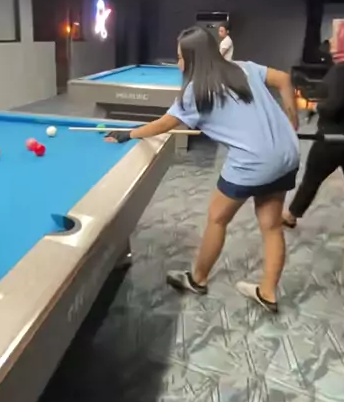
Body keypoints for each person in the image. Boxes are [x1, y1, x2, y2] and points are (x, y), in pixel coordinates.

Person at [106, 27, 299, 312]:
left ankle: (198, 279)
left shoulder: (196, 91)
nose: (179, 64)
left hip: (253, 162)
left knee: (217, 218)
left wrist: (129, 133)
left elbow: (164, 124)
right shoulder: (243, 68)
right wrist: (292, 120)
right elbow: (284, 79)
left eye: (180, 58)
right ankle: (268, 292)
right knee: (271, 225)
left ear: (194, 58)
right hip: (288, 153)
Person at [283, 17, 344, 256]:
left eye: (337, 35)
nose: (331, 40)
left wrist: (312, 105)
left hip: (335, 137)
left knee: (312, 179)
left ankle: (290, 216)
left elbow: (332, 107)